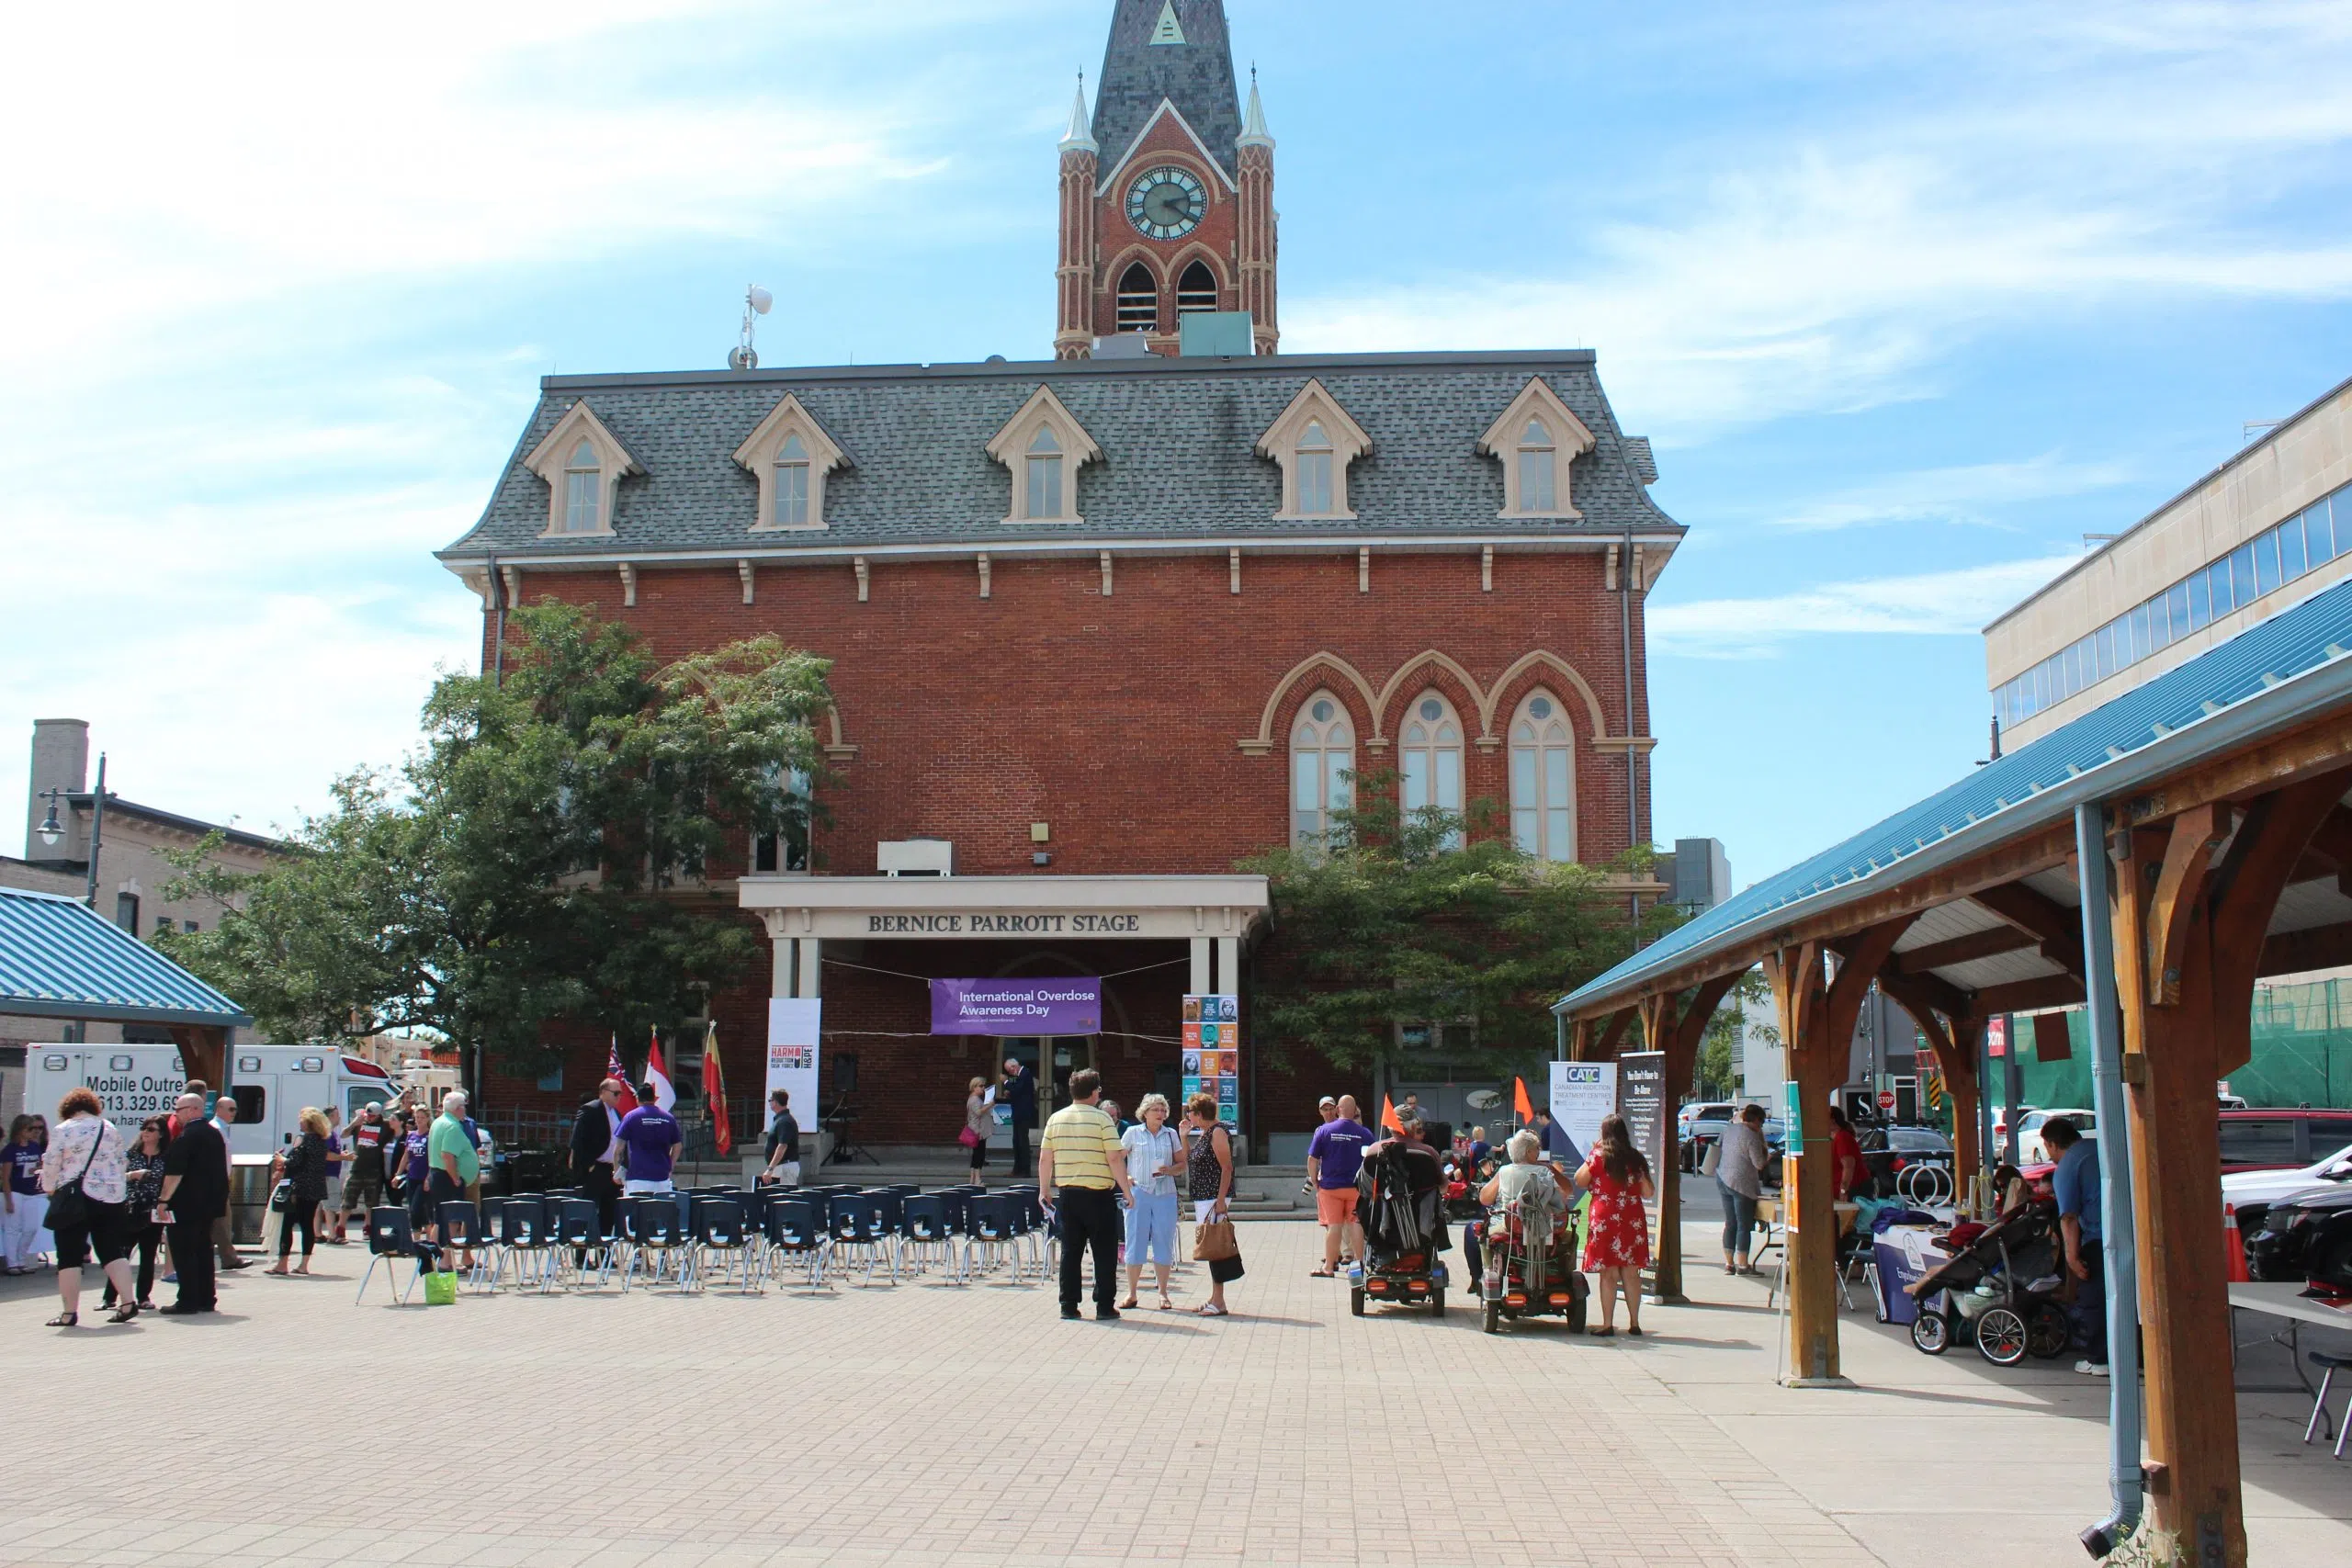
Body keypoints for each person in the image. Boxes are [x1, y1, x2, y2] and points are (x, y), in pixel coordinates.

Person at [1037, 1067, 1131, 1321]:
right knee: (1104, 1253)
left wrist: (1044, 1189)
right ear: (1095, 1092)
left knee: (1071, 1252)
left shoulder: (1055, 1119)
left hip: (1067, 1195)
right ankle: (1104, 1306)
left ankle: (1068, 1305)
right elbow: (1114, 1158)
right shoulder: (1103, 1120)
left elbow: (1046, 1158)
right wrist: (1126, 1190)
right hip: (1099, 1194)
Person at [39, 1089, 136, 1326]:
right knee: (111, 1250)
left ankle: (69, 1313)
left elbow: (51, 1162)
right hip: (111, 1197)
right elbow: (122, 1161)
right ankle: (128, 1302)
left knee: (69, 1255)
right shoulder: (109, 1128)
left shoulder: (64, 1129)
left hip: (78, 1197)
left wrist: (49, 1187)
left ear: (68, 1110)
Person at [1576, 1112, 1656, 1337]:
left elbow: (1580, 1180)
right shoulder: (1635, 1157)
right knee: (1631, 1273)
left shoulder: (1598, 1156)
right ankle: (1634, 1322)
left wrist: (1593, 1152)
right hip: (1631, 1217)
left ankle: (1608, 1323)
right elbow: (1648, 1191)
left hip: (1605, 1217)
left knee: (1608, 1274)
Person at [2044, 1116, 2108, 1377]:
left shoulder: (2068, 1166)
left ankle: (2099, 1359)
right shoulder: (2098, 1148)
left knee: (2094, 1300)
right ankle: (2132, 1352)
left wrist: (2071, 1256)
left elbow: (2068, 1216)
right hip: (2135, 1233)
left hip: (2098, 1238)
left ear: (2050, 1144)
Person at [157, 1092, 228, 1314]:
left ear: (192, 1110)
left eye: (178, 1110)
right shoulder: (214, 1134)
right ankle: (206, 1298)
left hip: (186, 1204)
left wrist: (163, 1200)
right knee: (203, 1251)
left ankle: (188, 1299)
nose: (175, 1115)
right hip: (209, 1203)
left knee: (184, 1252)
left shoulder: (187, 1136)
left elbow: (175, 1173)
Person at [1117, 1093, 1183, 1311]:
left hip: (1165, 1193)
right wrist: (1125, 1178)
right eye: (1156, 1110)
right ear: (1144, 1112)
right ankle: (1132, 1293)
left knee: (1163, 1242)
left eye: (1163, 1110)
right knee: (1135, 1241)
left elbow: (1182, 1163)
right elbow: (1117, 1158)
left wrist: (1171, 1169)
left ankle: (1163, 1293)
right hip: (1139, 1193)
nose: (1160, 1114)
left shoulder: (1171, 1135)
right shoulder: (1132, 1133)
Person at [105, 1117, 171, 1313]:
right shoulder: (131, 1155)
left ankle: (143, 1297)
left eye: (151, 1129)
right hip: (130, 1209)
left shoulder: (165, 1157)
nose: (146, 1132)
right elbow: (114, 1177)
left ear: (161, 1134)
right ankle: (110, 1297)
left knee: (148, 1255)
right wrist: (132, 1176)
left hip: (152, 1211)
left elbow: (169, 1182)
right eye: (143, 1128)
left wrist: (164, 1203)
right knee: (120, 1254)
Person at [1306, 1094, 1372, 1277]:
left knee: (1334, 1226)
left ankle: (1328, 1267)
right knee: (1355, 1224)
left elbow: (1312, 1159)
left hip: (1330, 1187)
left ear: (1337, 1110)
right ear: (1354, 1112)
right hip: (1355, 1188)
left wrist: (1314, 1180)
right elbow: (1373, 1159)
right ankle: (1360, 1266)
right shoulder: (1365, 1133)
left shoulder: (1324, 1131)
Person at [1185, 1094, 1238, 1317]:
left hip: (1213, 1197)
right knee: (1210, 1246)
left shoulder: (1217, 1131)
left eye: (1191, 1111)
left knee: (1214, 1246)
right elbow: (1190, 1160)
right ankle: (1215, 1297)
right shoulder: (1205, 1132)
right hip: (1204, 1197)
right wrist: (1183, 1135)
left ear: (1198, 1113)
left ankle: (1219, 1301)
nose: (1188, 1115)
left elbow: (1227, 1168)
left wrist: (1220, 1201)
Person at [266, 1107, 331, 1275]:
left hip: (299, 1189)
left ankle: (282, 1264)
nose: (299, 1122)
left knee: (287, 1224)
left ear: (309, 1123)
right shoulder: (321, 1141)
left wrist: (281, 1159)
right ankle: (304, 1264)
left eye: (301, 1119)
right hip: (315, 1188)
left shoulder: (305, 1140)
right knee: (307, 1225)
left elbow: (295, 1162)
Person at [1713, 1104, 1770, 1275]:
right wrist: (1768, 1154)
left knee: (1730, 1223)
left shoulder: (1729, 1129)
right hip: (1742, 1183)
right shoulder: (1752, 1136)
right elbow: (1758, 1164)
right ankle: (1743, 1266)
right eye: (1762, 1123)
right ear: (1757, 1120)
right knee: (1743, 1225)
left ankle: (1729, 1264)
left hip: (1723, 1178)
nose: (1761, 1127)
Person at [427, 1091, 481, 1266]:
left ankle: (435, 1256)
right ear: (457, 1108)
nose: (465, 1109)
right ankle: (445, 1262)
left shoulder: (438, 1122)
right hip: (447, 1177)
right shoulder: (452, 1126)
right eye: (463, 1106)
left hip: (438, 1174)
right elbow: (447, 1155)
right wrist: (456, 1178)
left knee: (440, 1219)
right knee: (451, 1221)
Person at [570, 1079, 628, 1236]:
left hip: (611, 1170)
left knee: (608, 1214)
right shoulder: (591, 1109)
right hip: (596, 1168)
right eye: (616, 1093)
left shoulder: (616, 1113)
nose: (619, 1096)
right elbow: (577, 1139)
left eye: (620, 1093)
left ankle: (604, 1256)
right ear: (603, 1092)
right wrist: (588, 1164)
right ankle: (581, 1257)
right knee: (586, 1211)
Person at [615, 1084, 682, 1194]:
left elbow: (619, 1148)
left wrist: (617, 1171)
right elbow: (678, 1146)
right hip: (662, 1178)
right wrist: (671, 1166)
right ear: (654, 1098)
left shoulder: (631, 1117)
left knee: (635, 1211)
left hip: (637, 1179)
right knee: (661, 1210)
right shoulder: (669, 1118)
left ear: (637, 1098)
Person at [3, 1113, 50, 1275]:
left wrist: (37, 1170)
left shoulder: (35, 1147)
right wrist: (8, 1200)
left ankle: (21, 1259)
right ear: (21, 1130)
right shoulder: (10, 1150)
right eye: (30, 1128)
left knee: (31, 1228)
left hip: (31, 1192)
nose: (34, 1132)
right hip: (15, 1191)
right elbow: (6, 1177)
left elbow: (39, 1166)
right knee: (12, 1228)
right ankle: (13, 1263)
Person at [209, 1093, 246, 1271]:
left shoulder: (221, 1128)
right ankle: (229, 1258)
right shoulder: (215, 1129)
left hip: (221, 1181)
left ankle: (228, 1257)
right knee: (222, 1221)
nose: (234, 1113)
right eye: (231, 1109)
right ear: (219, 1109)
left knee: (220, 1221)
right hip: (217, 1182)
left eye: (235, 1109)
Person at [341, 1102, 388, 1240]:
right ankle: (340, 1228)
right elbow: (343, 1134)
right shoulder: (359, 1124)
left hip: (374, 1169)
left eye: (373, 1116)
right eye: (368, 1115)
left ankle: (368, 1228)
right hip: (357, 1168)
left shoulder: (384, 1125)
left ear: (378, 1115)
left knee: (371, 1202)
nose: (370, 1118)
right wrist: (354, 1123)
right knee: (347, 1200)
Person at [1001, 1058, 1037, 1178]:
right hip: (1017, 1112)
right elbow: (1017, 1091)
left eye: (1009, 1071)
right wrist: (1009, 1092)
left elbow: (1018, 1089)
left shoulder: (1025, 1073)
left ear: (1014, 1066)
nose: (1010, 1074)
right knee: (1016, 1141)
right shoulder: (1019, 1075)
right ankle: (1017, 1169)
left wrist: (1006, 1082)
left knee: (1022, 1141)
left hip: (1024, 1113)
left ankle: (1025, 1170)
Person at [761, 1089, 802, 1187]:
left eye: (770, 1100)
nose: (769, 1102)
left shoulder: (785, 1121)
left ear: (775, 1102)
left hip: (785, 1167)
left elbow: (782, 1146)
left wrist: (770, 1169)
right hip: (780, 1167)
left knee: (785, 1199)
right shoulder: (780, 1119)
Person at [1826, 1104, 1866, 1201]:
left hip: (1853, 1189)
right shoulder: (1834, 1138)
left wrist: (1843, 1191)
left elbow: (1848, 1167)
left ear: (1833, 1119)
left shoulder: (1842, 1138)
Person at [319, 1106, 345, 1243]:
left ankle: (319, 1234)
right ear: (329, 1117)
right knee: (330, 1206)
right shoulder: (327, 1134)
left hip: (330, 1173)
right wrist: (344, 1158)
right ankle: (332, 1235)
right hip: (328, 1174)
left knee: (323, 1206)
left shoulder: (333, 1133)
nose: (339, 1117)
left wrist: (342, 1155)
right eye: (336, 1115)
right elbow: (327, 1155)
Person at [963, 1077, 992, 1186]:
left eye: (984, 1086)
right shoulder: (974, 1099)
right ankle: (977, 1179)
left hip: (977, 1129)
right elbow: (978, 1112)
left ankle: (973, 1178)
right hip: (978, 1130)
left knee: (977, 1154)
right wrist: (990, 1105)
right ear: (974, 1087)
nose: (983, 1088)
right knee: (979, 1155)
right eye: (981, 1086)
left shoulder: (974, 1098)